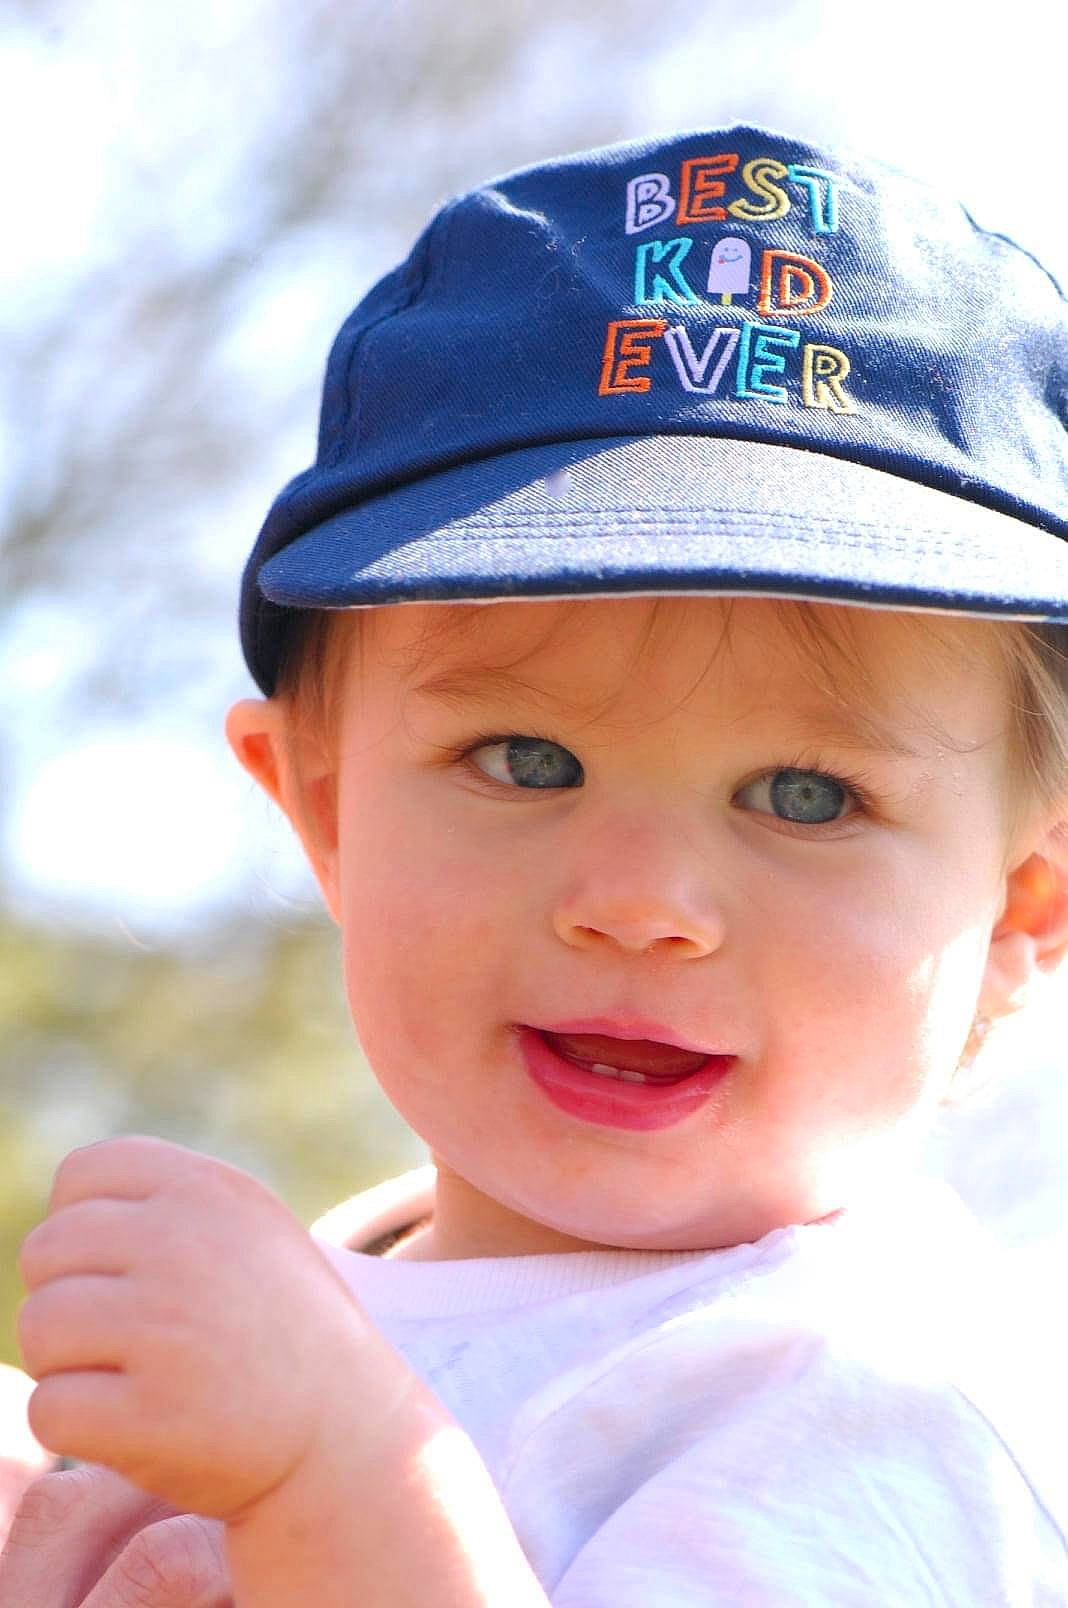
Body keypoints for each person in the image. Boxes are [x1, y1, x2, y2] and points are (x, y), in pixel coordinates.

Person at [3, 124, 1068, 1605]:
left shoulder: (891, 1412)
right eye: (523, 760)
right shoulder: (342, 1294)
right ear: (322, 808)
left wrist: (339, 1479)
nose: (637, 902)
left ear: (1024, 907)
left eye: (805, 794)